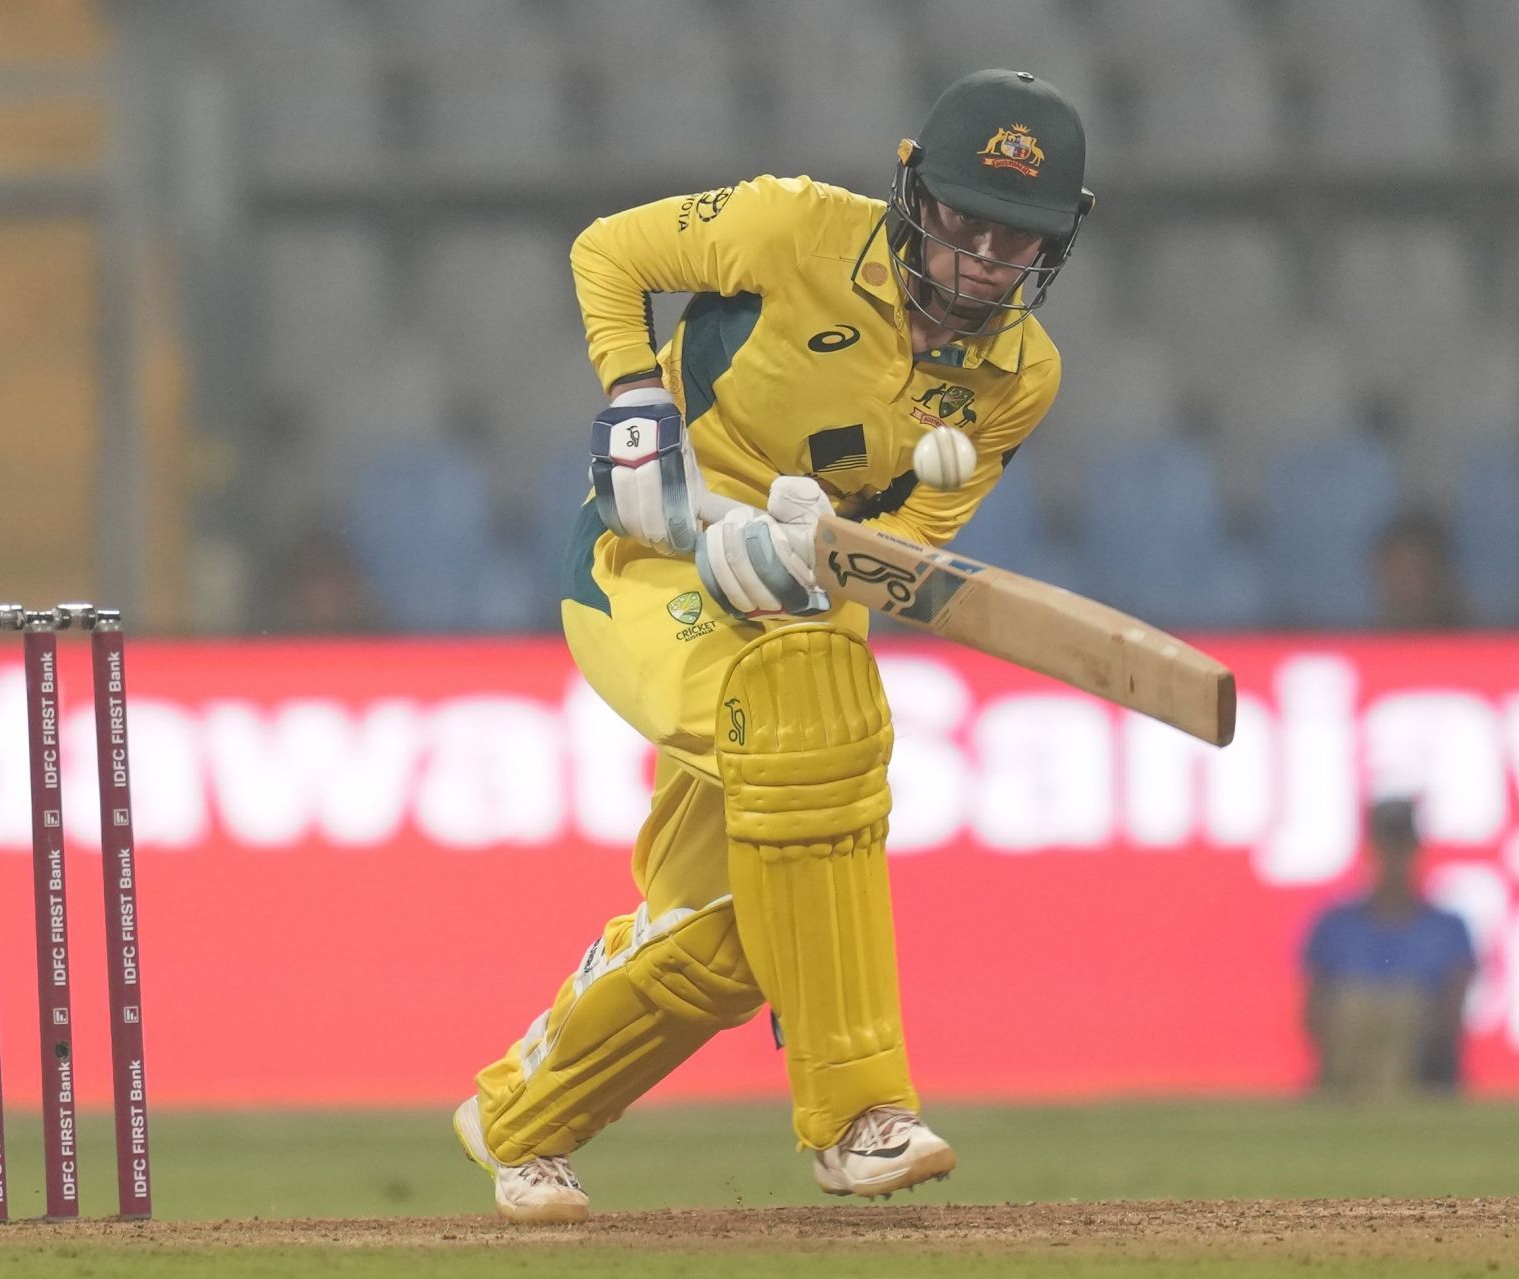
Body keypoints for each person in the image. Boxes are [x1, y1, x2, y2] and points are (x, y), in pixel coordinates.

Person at [451, 69, 1093, 1222]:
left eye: (1019, 240)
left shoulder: (1019, 377)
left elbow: (912, 547)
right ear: (913, 196)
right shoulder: (793, 227)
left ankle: (518, 1116)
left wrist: (823, 549)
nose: (985, 260)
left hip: (800, 596)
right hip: (647, 562)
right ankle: (859, 1114)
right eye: (965, 222)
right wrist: (632, 399)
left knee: (733, 934)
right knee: (815, 715)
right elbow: (609, 252)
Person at [1302, 798, 1477, 1099]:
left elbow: (1451, 1020)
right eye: (1387, 847)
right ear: (1373, 850)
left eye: (1402, 847)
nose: (1394, 858)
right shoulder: (1335, 926)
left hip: (1424, 1075)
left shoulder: (1447, 929)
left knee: (1402, 1010)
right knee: (1356, 1009)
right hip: (1348, 1078)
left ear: (1415, 850)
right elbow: (1313, 1015)